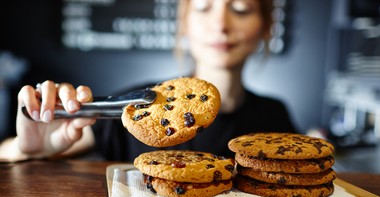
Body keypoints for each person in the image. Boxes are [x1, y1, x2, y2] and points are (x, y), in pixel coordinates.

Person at [0, 0, 296, 162]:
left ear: (266, 26)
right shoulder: (141, 105)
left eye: (241, 9)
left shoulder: (274, 117)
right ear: (184, 22)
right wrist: (27, 150)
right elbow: (10, 154)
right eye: (204, 8)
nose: (220, 25)